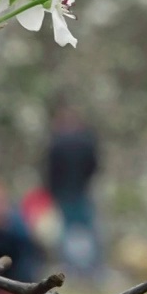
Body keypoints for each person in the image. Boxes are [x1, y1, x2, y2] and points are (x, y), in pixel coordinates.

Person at [46, 102, 101, 283]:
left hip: (65, 193)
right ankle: (91, 270)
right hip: (82, 191)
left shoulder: (57, 143)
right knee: (87, 231)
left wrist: (52, 191)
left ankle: (72, 269)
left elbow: (51, 170)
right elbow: (94, 166)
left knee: (68, 232)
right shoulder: (87, 141)